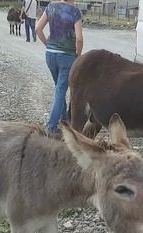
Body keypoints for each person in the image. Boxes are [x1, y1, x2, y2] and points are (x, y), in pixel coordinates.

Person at [35, 0, 83, 135]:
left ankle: (64, 119)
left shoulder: (50, 6)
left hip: (50, 55)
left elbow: (38, 28)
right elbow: (79, 39)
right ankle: (51, 126)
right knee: (61, 90)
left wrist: (47, 44)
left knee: (58, 88)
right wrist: (78, 56)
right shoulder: (75, 11)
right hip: (67, 57)